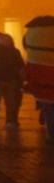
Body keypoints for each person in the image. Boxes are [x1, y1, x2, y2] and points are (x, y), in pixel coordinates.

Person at [22, 15, 54, 146]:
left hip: (39, 76)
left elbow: (25, 47)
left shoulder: (30, 33)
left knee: (48, 111)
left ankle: (51, 136)